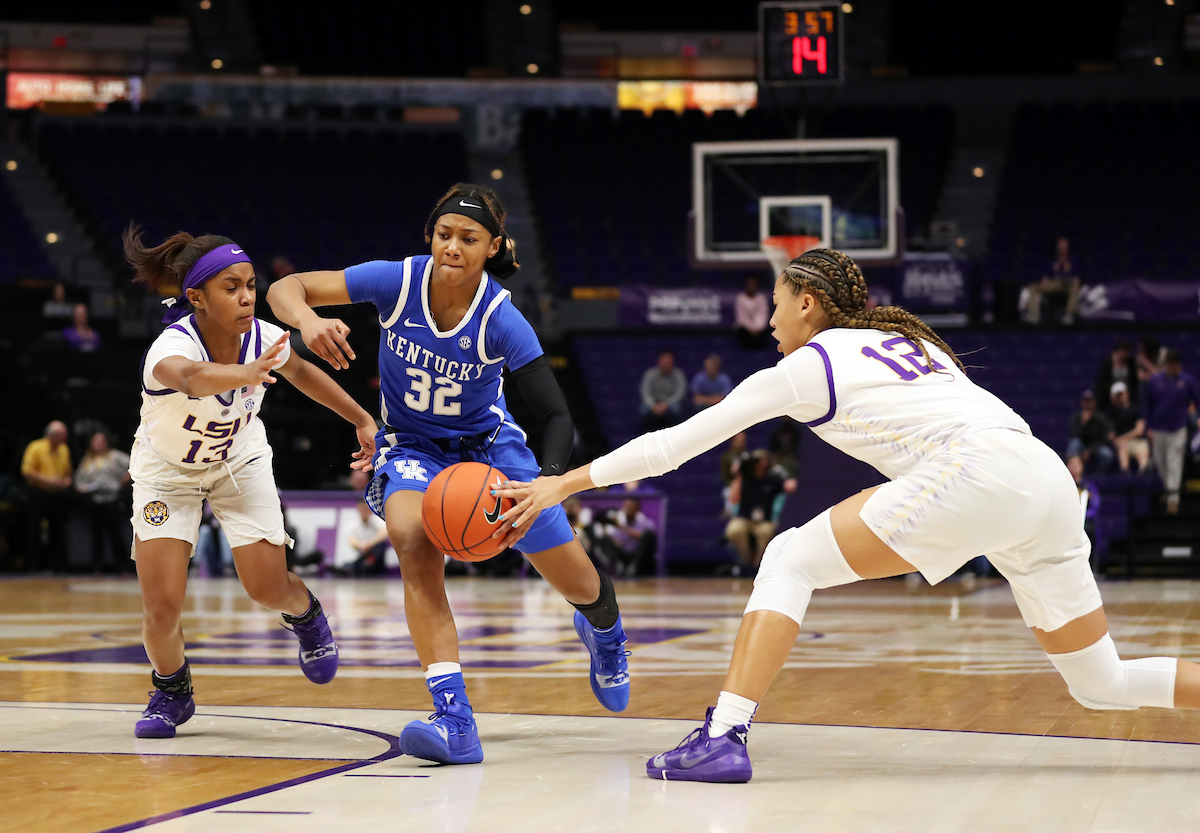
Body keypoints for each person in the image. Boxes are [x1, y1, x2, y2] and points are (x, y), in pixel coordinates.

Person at [497, 247, 1200, 785]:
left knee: (788, 557)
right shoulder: (911, 342)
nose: (770, 320)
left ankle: (724, 735)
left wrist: (566, 483)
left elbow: (675, 445)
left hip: (980, 470)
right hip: (1041, 477)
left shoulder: (810, 363)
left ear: (807, 301)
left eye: (776, 304)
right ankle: (722, 733)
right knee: (1099, 682)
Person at [266, 182, 631, 766]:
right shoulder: (397, 281)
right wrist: (307, 320)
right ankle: (455, 720)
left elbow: (556, 414)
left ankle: (606, 633)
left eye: (468, 238)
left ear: (492, 247)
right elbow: (285, 288)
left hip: (492, 452)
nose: (452, 247)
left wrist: (549, 481)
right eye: (443, 234)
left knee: (579, 584)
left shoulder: (502, 318)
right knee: (412, 541)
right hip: (413, 447)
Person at [122, 225, 377, 739]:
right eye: (230, 287)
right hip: (166, 474)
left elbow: (302, 374)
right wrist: (245, 373)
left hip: (238, 463)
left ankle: (304, 614)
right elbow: (192, 378)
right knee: (162, 603)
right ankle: (171, 689)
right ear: (196, 297)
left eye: (250, 285)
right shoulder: (168, 347)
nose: (245, 297)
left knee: (266, 588)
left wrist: (361, 418)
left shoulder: (262, 336)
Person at [1144, 349, 1200, 515]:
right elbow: (1148, 405)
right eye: (1170, 365)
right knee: (1160, 462)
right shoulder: (1155, 381)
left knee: (1174, 462)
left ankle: (1173, 500)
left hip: (1178, 429)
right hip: (1159, 429)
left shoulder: (1187, 381)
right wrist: (1149, 427)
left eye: (1176, 365)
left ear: (1179, 365)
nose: (1173, 368)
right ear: (1166, 365)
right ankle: (1169, 490)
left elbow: (1197, 398)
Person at [724, 450, 797, 570]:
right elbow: (733, 499)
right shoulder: (745, 478)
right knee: (734, 529)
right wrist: (739, 474)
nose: (759, 464)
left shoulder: (772, 478)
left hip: (764, 521)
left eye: (762, 460)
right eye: (756, 461)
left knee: (765, 532)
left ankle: (758, 565)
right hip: (745, 519)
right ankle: (747, 560)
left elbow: (790, 486)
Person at [74, 431, 131, 573]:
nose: (99, 444)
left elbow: (134, 465)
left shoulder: (115, 456)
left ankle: (123, 566)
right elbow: (79, 481)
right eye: (96, 441)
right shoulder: (87, 460)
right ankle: (97, 566)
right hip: (94, 499)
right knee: (96, 535)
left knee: (115, 534)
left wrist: (124, 480)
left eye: (101, 441)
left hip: (112, 498)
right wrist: (83, 488)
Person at [21, 421, 73, 572]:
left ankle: (57, 566)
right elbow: (27, 471)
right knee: (34, 530)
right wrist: (49, 480)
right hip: (39, 494)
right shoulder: (35, 447)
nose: (66, 437)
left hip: (58, 496)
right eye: (63, 435)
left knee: (57, 531)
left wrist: (66, 481)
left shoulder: (64, 449)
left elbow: (68, 471)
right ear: (52, 435)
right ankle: (34, 565)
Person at [592, 496, 657, 578]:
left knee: (649, 536)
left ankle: (634, 565)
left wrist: (619, 526)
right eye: (625, 506)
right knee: (603, 539)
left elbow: (645, 536)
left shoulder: (645, 522)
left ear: (637, 509)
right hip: (623, 554)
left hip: (637, 556)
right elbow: (614, 539)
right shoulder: (620, 523)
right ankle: (619, 565)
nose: (627, 509)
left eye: (630, 506)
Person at [1022, 236, 1081, 326]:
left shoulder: (1073, 261)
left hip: (1067, 285)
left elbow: (1076, 278)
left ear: (1068, 246)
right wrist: (1045, 280)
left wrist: (1073, 280)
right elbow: (1046, 276)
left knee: (1075, 288)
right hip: (1053, 284)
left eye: (1064, 245)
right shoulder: (1052, 260)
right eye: (1060, 245)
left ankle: (1069, 315)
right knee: (1033, 288)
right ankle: (1034, 315)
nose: (1062, 247)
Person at [1105, 382, 1149, 474]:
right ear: (1112, 398)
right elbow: (1111, 434)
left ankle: (1143, 471)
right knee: (1122, 446)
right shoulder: (1111, 413)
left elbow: (1139, 430)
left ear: (1127, 394)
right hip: (1122, 444)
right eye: (1117, 396)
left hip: (1136, 441)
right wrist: (1115, 439)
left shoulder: (1136, 410)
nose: (1120, 398)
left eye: (1122, 395)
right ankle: (1125, 472)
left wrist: (1121, 438)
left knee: (1143, 446)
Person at [1066, 390, 1114, 474]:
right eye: (1085, 401)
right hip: (1081, 445)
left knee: (1107, 454)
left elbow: (1104, 438)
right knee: (1074, 444)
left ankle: (1098, 475)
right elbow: (1074, 434)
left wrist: (1091, 451)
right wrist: (1083, 423)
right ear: (1082, 402)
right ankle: (1071, 473)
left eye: (1089, 401)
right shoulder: (1077, 417)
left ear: (1094, 402)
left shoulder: (1101, 418)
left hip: (1096, 446)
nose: (1087, 404)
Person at [640, 350, 687, 430]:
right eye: (664, 361)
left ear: (672, 362)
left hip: (670, 403)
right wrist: (653, 405)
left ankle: (676, 434)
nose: (666, 364)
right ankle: (645, 434)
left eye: (669, 361)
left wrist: (666, 404)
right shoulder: (650, 374)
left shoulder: (678, 375)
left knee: (677, 410)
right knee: (643, 411)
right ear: (659, 361)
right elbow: (645, 392)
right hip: (653, 403)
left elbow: (679, 393)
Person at [1066, 455, 1101, 560]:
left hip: (1086, 522)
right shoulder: (1065, 485)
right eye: (1071, 464)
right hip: (1069, 522)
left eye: (1077, 464)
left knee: (1089, 530)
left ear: (1082, 466)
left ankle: (1092, 566)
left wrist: (1082, 516)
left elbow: (1096, 507)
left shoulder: (1089, 486)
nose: (1074, 467)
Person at [343, 498, 389, 575]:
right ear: (358, 509)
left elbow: (384, 532)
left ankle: (367, 564)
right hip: (363, 553)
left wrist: (369, 544)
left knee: (380, 546)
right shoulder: (352, 525)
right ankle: (360, 565)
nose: (364, 511)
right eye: (362, 509)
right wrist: (361, 546)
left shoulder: (377, 520)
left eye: (366, 508)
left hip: (375, 554)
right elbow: (352, 541)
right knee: (356, 564)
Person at [1094, 339, 1137, 410]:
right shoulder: (1107, 363)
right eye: (1124, 351)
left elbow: (1133, 380)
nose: (1126, 354)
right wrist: (1113, 392)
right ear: (1118, 350)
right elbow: (1103, 381)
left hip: (1126, 391)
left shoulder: (1130, 363)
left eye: (1127, 352)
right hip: (1110, 392)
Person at [735, 276, 770, 348]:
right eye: (749, 285)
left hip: (759, 330)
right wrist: (750, 329)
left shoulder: (761, 298)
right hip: (746, 330)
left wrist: (757, 328)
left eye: (753, 285)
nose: (751, 287)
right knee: (741, 331)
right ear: (746, 286)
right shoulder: (741, 298)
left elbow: (763, 314)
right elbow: (741, 316)